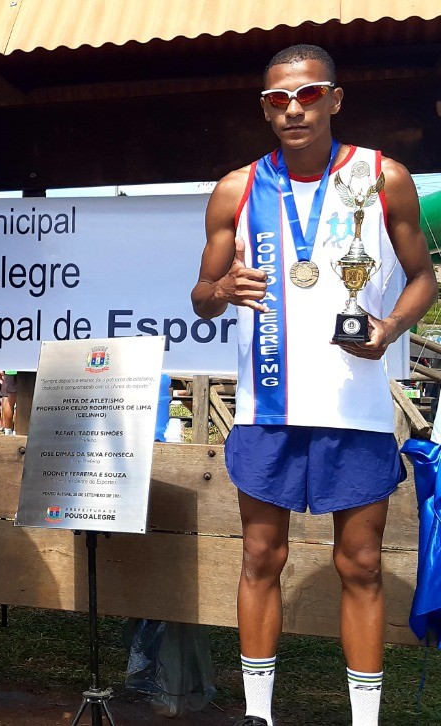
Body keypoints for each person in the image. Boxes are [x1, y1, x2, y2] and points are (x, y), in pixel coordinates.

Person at [191, 44, 436, 726]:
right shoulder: (237, 188)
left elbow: (424, 278)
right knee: (260, 557)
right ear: (265, 108)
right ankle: (258, 716)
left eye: (306, 95)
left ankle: (364, 721)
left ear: (334, 99)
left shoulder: (382, 176)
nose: (292, 109)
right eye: (277, 99)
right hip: (268, 406)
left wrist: (387, 330)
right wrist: (220, 288)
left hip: (353, 410)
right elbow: (201, 295)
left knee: (359, 565)